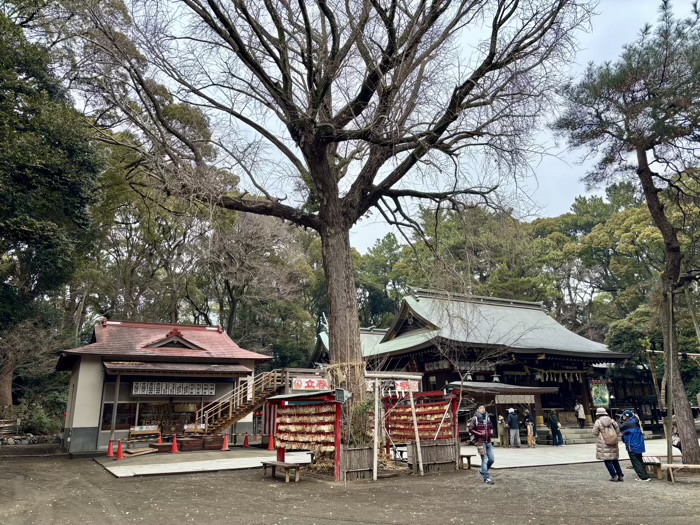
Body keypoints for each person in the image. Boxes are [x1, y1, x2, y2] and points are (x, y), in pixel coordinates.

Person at [592, 407, 624, 482]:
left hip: (604, 442)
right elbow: (618, 430)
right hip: (613, 441)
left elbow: (595, 432)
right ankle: (620, 475)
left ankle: (614, 476)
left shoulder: (598, 422)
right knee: (615, 460)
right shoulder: (612, 421)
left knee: (607, 460)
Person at [468, 405, 495, 484]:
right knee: (485, 459)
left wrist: (491, 432)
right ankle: (486, 478)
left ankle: (483, 471)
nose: (482, 409)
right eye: (481, 408)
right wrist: (479, 434)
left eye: (483, 408)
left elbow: (491, 427)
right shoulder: (474, 418)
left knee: (492, 459)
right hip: (480, 442)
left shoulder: (487, 417)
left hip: (488, 441)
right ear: (477, 410)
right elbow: (470, 429)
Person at [620, 410, 650, 481]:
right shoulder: (636, 421)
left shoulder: (627, 424)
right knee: (640, 461)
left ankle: (643, 477)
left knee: (636, 463)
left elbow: (619, 427)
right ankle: (645, 475)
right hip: (639, 445)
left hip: (632, 446)